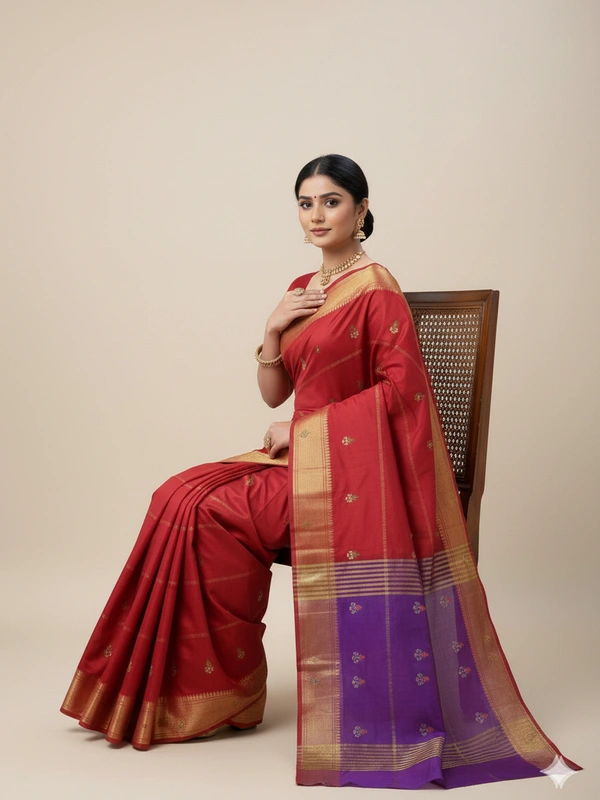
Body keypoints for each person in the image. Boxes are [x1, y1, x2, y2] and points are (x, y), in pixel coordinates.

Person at [60, 154, 582, 790]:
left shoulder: (377, 287)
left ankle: (222, 694)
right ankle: (209, 690)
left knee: (207, 507)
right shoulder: (306, 286)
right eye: (305, 203)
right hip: (304, 459)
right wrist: (273, 327)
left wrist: (305, 431)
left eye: (331, 201)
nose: (316, 214)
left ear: (361, 210)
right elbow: (273, 394)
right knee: (177, 494)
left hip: (353, 477)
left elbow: (402, 393)